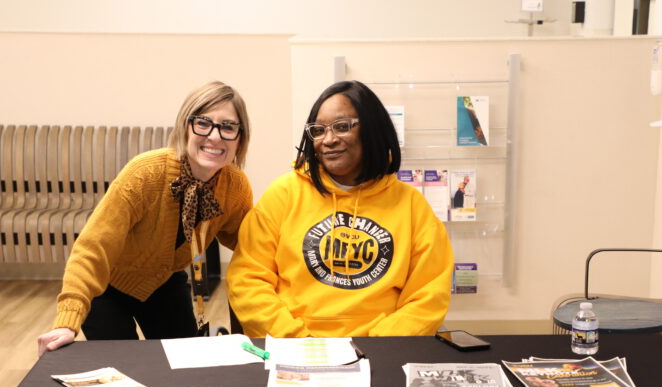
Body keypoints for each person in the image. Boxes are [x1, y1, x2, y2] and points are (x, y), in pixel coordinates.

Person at [36, 81, 252, 357]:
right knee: (125, 368)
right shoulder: (144, 174)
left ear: (240, 137)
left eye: (228, 127)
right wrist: (68, 321)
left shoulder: (235, 186)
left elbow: (252, 245)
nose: (214, 136)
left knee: (186, 364)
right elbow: (92, 248)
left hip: (165, 283)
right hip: (107, 286)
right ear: (185, 127)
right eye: (203, 123)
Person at [227, 80, 453, 338]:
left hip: (381, 349)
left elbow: (428, 294)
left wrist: (381, 347)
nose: (329, 140)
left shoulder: (411, 205)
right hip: (296, 347)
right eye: (319, 130)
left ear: (372, 129)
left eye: (342, 126)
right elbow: (247, 279)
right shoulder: (283, 195)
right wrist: (297, 341)